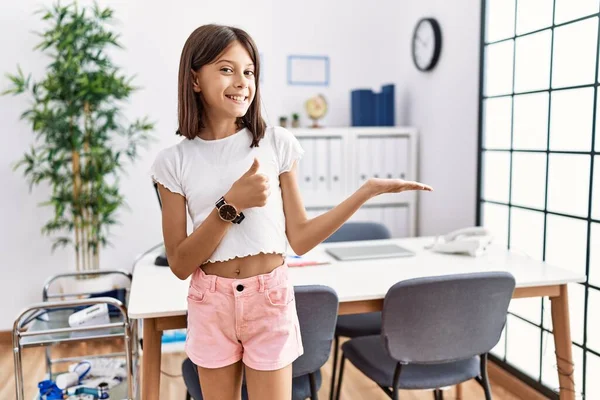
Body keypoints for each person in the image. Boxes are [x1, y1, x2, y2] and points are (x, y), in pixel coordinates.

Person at [150, 24, 433, 400]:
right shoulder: (173, 162)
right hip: (210, 302)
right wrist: (229, 205)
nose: (241, 82)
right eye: (226, 69)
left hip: (270, 297)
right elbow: (181, 263)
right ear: (195, 79)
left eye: (249, 71)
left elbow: (299, 238)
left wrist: (364, 193)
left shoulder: (275, 143)